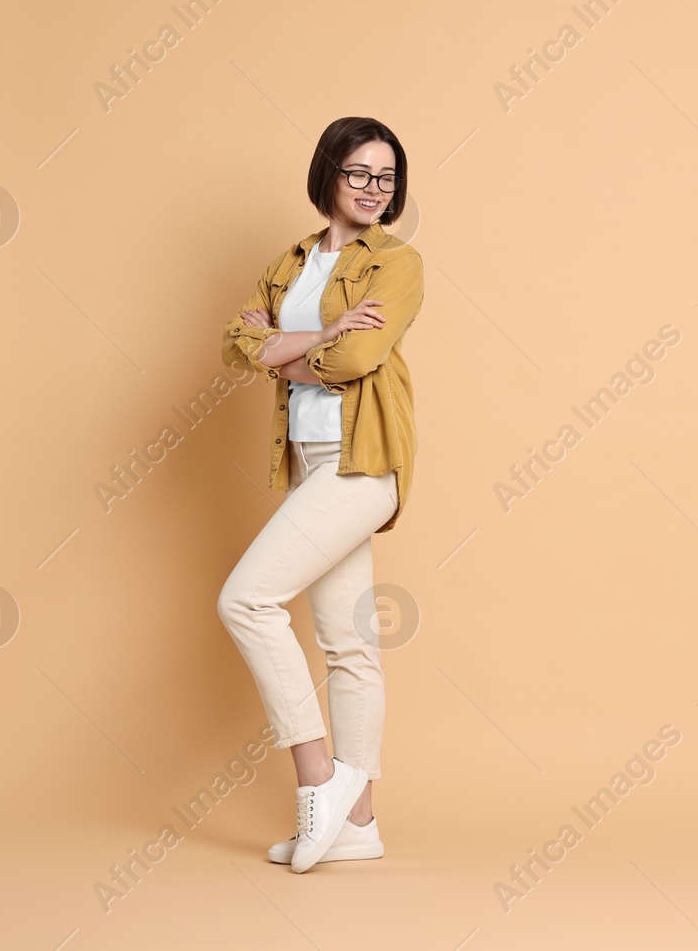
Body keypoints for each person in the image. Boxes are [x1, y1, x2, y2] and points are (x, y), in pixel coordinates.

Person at [216, 116, 423, 873]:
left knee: (245, 600)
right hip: (310, 461)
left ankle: (321, 785)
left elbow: (361, 355)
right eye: (361, 173)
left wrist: (291, 352)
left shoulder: (396, 263)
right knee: (347, 642)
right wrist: (324, 332)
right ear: (329, 173)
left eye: (387, 177)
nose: (375, 189)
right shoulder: (292, 262)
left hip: (361, 461)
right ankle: (359, 824)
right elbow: (238, 343)